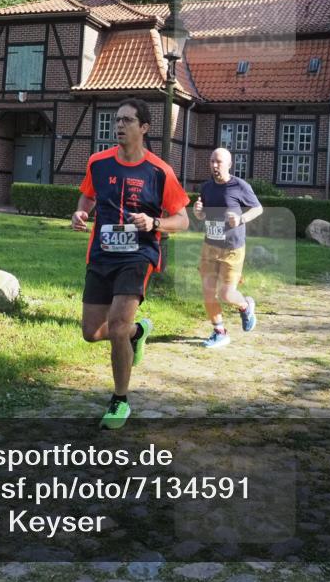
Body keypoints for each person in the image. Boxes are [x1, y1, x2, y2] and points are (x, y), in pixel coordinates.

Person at [72, 98, 190, 429]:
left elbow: (182, 220)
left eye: (127, 120)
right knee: (92, 333)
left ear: (144, 128)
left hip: (138, 255)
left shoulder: (159, 171)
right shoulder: (98, 163)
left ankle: (120, 400)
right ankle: (139, 334)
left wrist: (155, 224)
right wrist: (81, 212)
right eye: (117, 119)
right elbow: (88, 195)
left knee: (118, 324)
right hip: (102, 254)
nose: (119, 125)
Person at [193, 148, 263, 349]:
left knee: (226, 294)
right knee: (208, 292)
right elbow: (204, 215)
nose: (215, 166)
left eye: (219, 162)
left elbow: (258, 208)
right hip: (210, 246)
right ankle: (219, 332)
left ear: (230, 164)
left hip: (232, 249)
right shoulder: (206, 188)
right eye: (212, 161)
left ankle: (245, 305)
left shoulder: (240, 186)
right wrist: (199, 213)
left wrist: (241, 218)